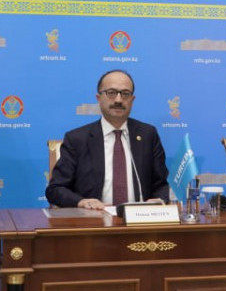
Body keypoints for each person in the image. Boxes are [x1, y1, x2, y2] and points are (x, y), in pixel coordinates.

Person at [45, 70, 170, 209]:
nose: (118, 100)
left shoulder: (148, 135)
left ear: (132, 99)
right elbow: (55, 189)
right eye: (111, 93)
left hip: (138, 219)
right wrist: (82, 202)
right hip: (93, 219)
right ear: (98, 98)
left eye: (125, 94)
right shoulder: (77, 139)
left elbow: (161, 185)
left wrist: (159, 200)